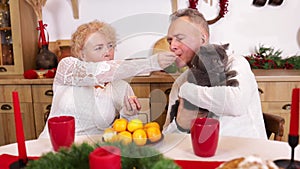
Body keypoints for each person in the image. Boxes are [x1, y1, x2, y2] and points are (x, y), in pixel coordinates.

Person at [39, 20, 176, 138]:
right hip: (49, 148)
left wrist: (128, 114)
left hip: (90, 152)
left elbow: (127, 132)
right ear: (82, 53)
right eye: (99, 48)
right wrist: (150, 63)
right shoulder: (67, 68)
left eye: (110, 46)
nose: (108, 52)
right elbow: (97, 72)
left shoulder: (121, 86)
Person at [162, 8, 267, 139]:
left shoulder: (235, 63)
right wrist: (180, 125)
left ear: (202, 38)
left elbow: (236, 104)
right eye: (170, 40)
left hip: (247, 154)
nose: (172, 46)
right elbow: (166, 138)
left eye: (180, 38)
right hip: (200, 156)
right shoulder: (181, 81)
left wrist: (187, 91)